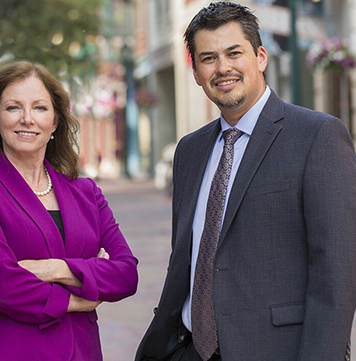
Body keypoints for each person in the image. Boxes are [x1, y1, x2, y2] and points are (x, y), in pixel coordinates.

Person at [135, 2, 356, 361]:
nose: (223, 68)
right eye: (208, 58)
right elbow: (185, 262)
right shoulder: (189, 152)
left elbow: (337, 274)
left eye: (234, 53)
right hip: (191, 351)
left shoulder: (318, 136)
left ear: (261, 57)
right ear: (196, 72)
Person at [0, 60, 138, 361]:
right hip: (12, 351)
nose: (28, 119)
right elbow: (3, 285)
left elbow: (125, 275)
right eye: (13, 108)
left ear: (54, 122)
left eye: (40, 108)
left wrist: (53, 269)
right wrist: (83, 295)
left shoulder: (86, 192)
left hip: (83, 351)